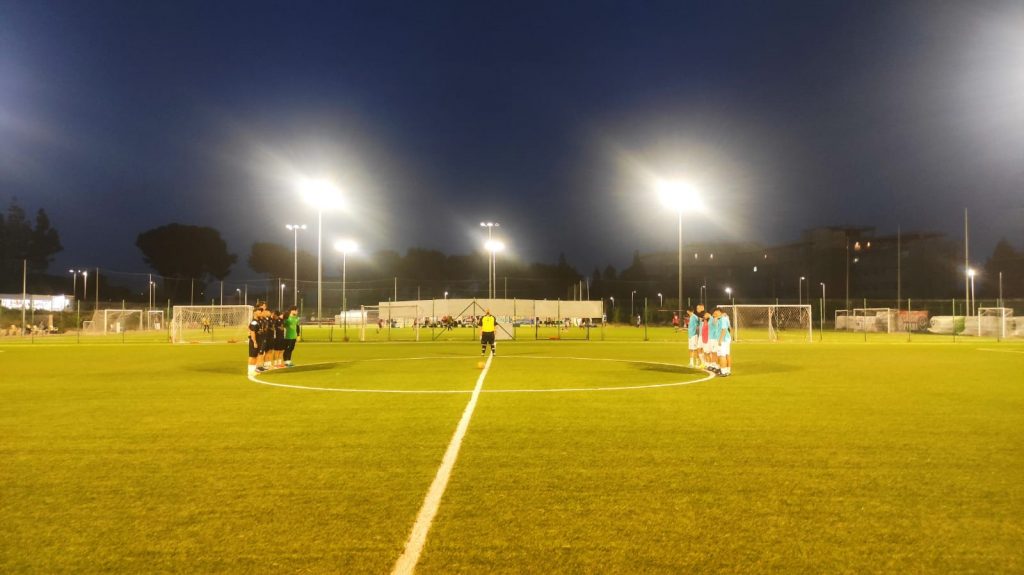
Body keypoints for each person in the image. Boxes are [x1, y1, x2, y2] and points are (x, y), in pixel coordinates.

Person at [718, 308, 733, 377]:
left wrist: (720, 340)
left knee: (722, 355)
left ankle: (723, 372)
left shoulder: (722, 319)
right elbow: (730, 327)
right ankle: (728, 370)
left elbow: (724, 329)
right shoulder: (726, 318)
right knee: (727, 354)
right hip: (727, 339)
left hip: (723, 340)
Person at [247, 308, 262, 375]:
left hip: (258, 341)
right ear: (254, 312)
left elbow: (249, 328)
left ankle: (253, 370)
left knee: (255, 356)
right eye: (259, 311)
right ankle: (250, 371)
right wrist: (254, 341)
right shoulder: (254, 322)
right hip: (254, 341)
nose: (260, 313)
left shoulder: (258, 321)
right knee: (252, 356)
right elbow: (252, 332)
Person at [707, 309, 722, 373]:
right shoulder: (711, 319)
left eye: (716, 313)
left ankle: (717, 366)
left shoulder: (717, 319)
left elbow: (715, 324)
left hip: (715, 338)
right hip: (711, 338)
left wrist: (715, 317)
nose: (715, 314)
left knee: (715, 352)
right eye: (714, 313)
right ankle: (713, 365)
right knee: (713, 352)